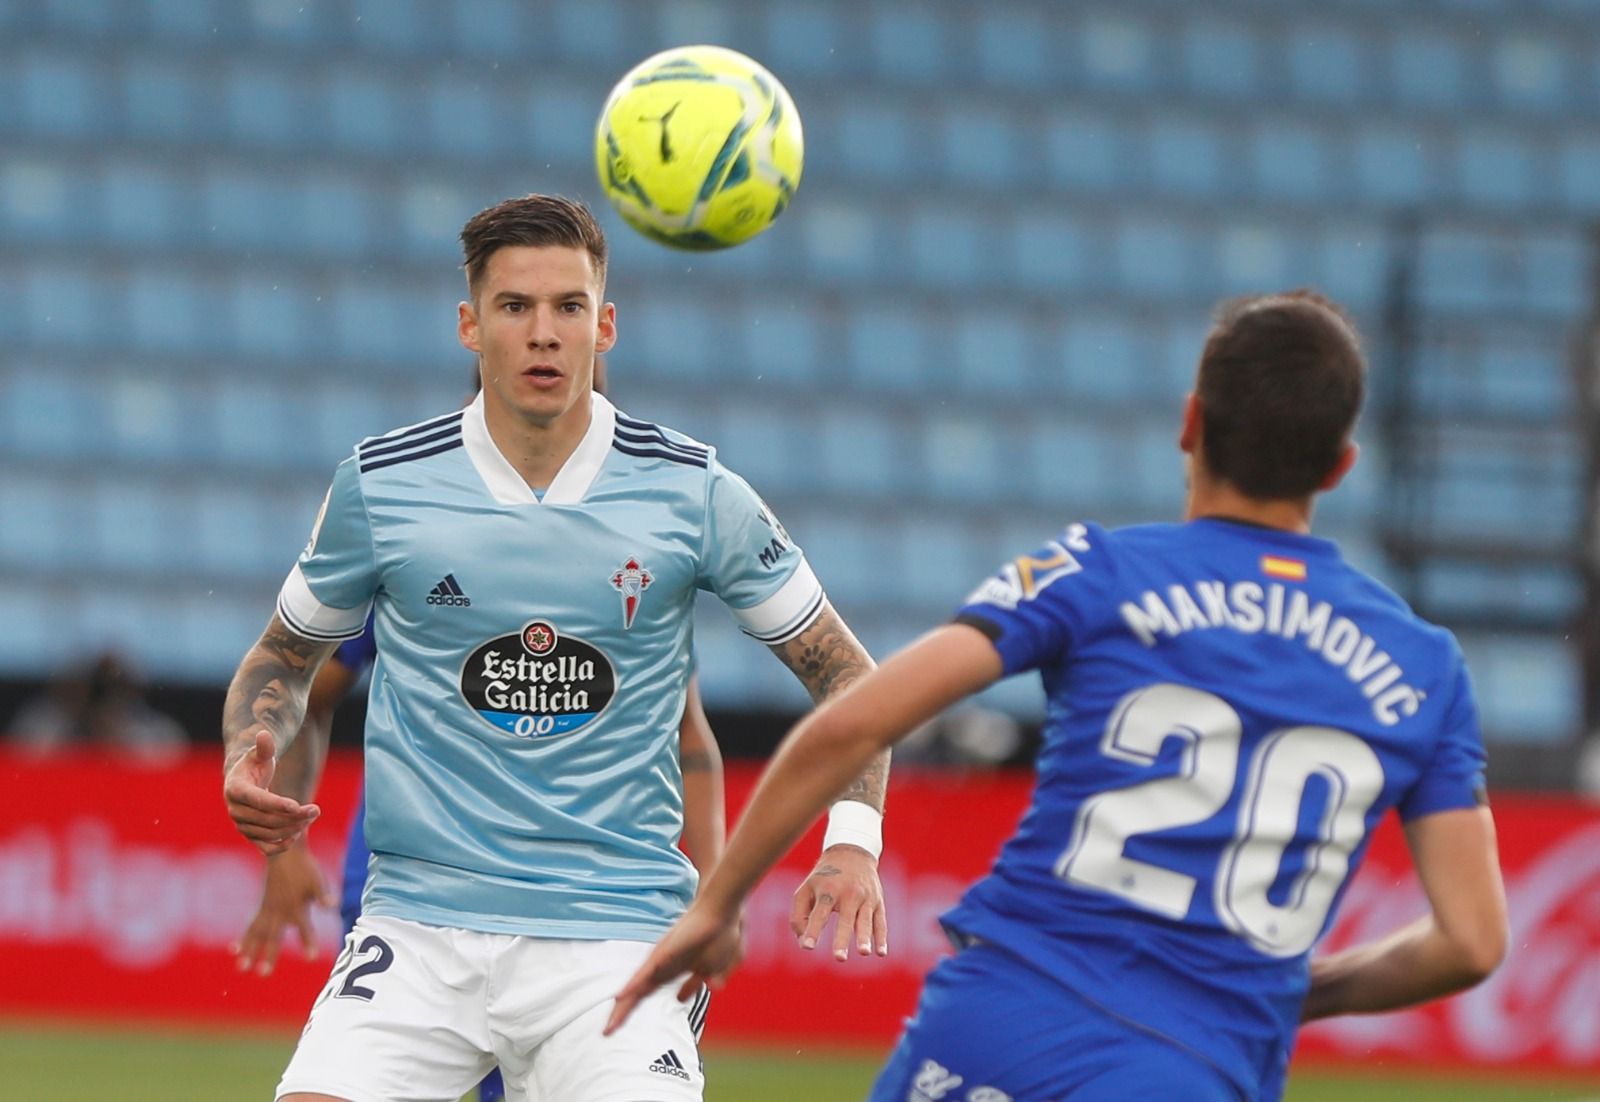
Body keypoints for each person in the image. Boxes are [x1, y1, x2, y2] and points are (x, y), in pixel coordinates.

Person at [609, 290, 1509, 1102]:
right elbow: (1472, 941)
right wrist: (1291, 992)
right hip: (1193, 1067)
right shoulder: (1425, 666)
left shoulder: (1096, 572)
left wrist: (717, 906)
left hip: (1002, 1019)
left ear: (1190, 423)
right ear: (1340, 465)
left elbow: (858, 716)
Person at [220, 193, 890, 1102]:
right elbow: (284, 657)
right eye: (515, 306)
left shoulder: (695, 492)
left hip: (616, 936)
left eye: (569, 306)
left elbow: (848, 677)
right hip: (419, 930)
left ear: (604, 326)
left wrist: (853, 841)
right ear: (470, 326)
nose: (544, 332)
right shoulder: (381, 486)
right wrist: (246, 749)